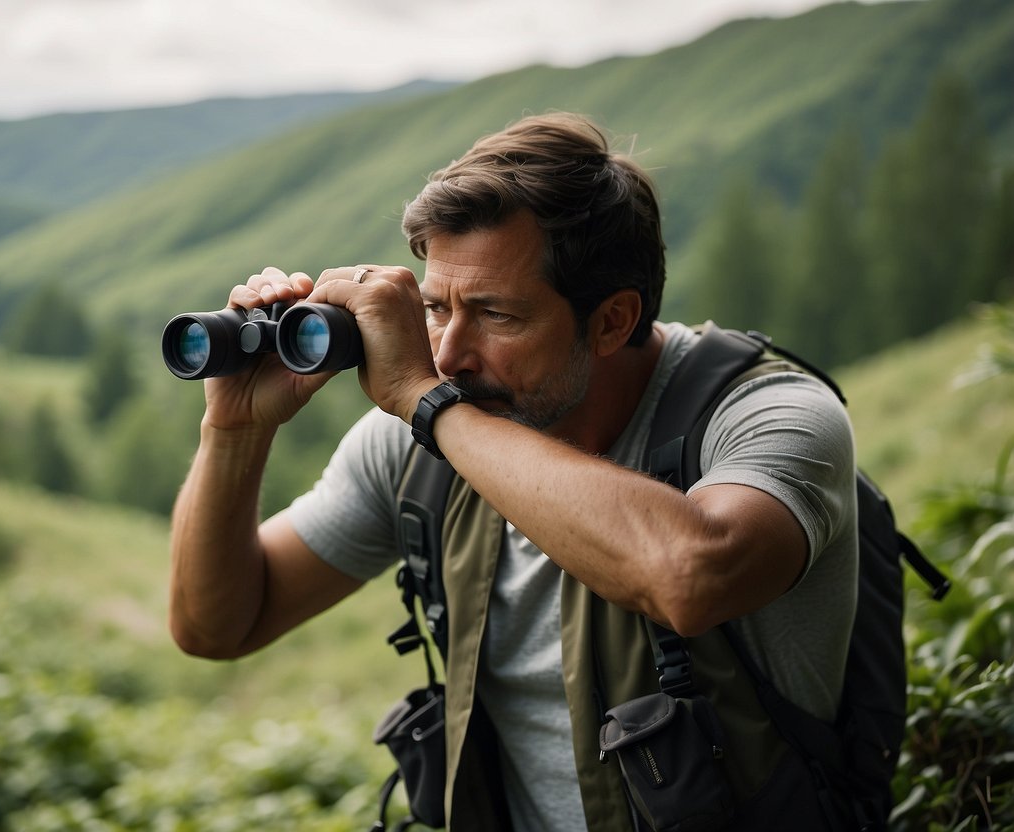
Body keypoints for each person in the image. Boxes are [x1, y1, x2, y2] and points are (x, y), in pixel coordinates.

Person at [168, 112, 858, 831]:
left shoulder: (768, 413)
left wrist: (424, 404)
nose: (449, 355)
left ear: (613, 320)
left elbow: (688, 577)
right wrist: (234, 428)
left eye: (495, 315)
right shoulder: (417, 439)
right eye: (435, 308)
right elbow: (217, 624)